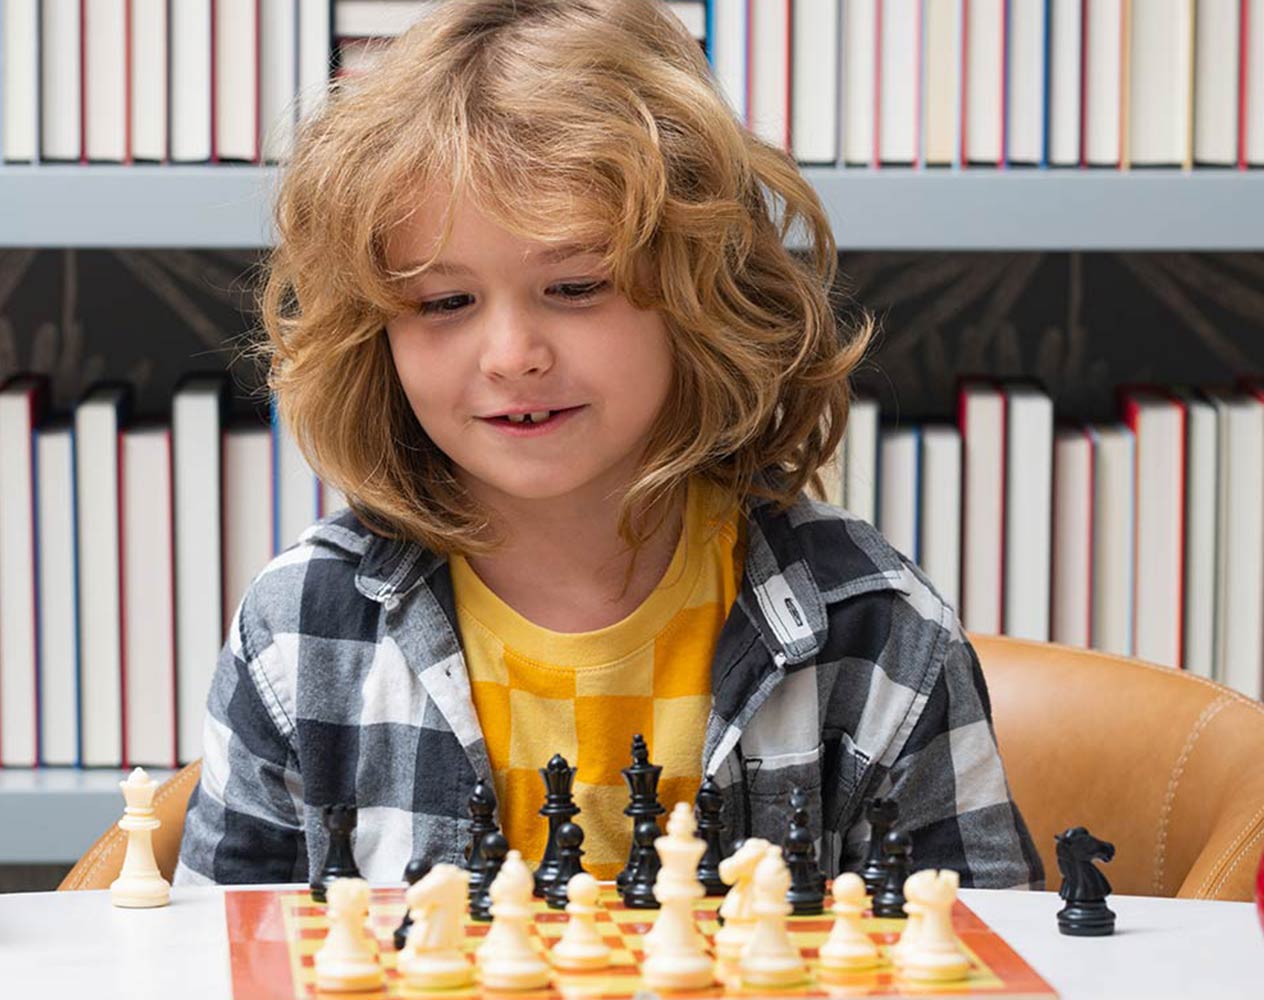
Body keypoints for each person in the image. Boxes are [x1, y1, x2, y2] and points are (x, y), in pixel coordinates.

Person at [176, 0, 1043, 890]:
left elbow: (981, 957)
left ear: (701, 293)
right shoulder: (300, 631)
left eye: (577, 285)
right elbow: (216, 961)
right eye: (444, 302)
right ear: (375, 333)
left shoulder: (877, 629)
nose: (513, 357)